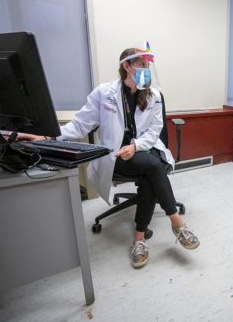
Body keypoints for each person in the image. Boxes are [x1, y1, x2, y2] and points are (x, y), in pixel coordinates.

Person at [23, 46, 200, 268]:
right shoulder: (103, 93)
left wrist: (135, 146)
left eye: (148, 66)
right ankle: (176, 224)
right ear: (127, 66)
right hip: (116, 155)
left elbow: (155, 131)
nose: (146, 70)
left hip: (145, 148)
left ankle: (140, 238)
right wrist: (49, 137)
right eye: (142, 65)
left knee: (150, 168)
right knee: (152, 168)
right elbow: (79, 125)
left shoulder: (153, 95)